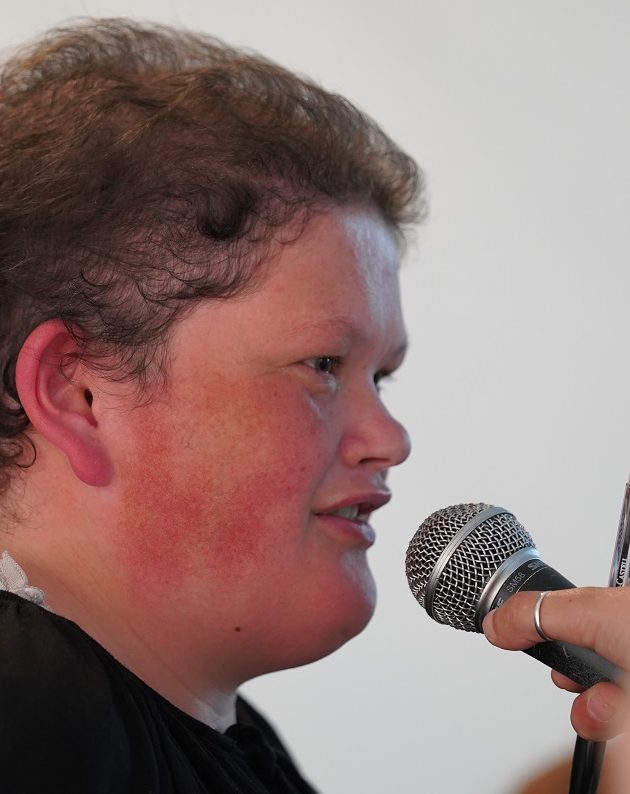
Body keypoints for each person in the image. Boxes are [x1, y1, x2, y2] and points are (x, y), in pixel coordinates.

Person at [0, 18, 423, 794]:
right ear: (77, 393)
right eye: (323, 366)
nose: (389, 438)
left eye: (382, 376)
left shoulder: (224, 740)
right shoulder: (28, 712)